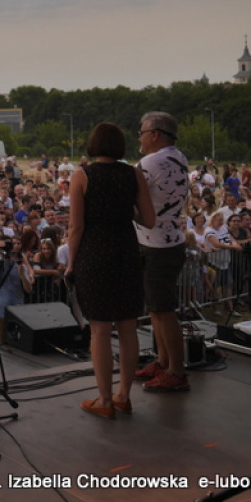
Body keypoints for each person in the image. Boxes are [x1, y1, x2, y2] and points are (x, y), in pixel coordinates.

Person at [66, 122, 154, 418]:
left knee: (100, 330)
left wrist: (69, 264)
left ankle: (104, 400)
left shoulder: (82, 175)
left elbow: (76, 227)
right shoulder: (134, 174)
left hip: (94, 255)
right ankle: (123, 396)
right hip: (127, 253)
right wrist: (123, 207)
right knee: (128, 327)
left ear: (93, 144)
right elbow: (149, 220)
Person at [134, 112, 191, 393]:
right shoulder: (178, 157)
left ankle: (177, 372)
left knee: (164, 311)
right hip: (169, 241)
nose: (139, 137)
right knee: (157, 309)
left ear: (155, 134)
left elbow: (133, 201)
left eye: (142, 132)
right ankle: (163, 362)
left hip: (157, 246)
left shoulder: (149, 162)